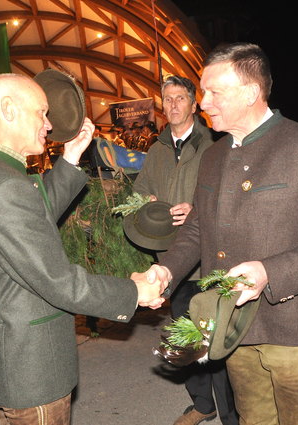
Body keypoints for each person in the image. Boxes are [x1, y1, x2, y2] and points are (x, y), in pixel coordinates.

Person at [146, 42, 298, 424]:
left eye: (214, 92)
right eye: (203, 91)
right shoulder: (213, 155)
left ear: (250, 93)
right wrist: (167, 271)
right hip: (232, 323)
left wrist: (269, 272)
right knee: (253, 418)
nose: (205, 102)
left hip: (292, 324)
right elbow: (197, 228)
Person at [0, 72, 166, 425]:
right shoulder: (4, 184)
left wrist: (70, 158)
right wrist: (134, 291)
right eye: (42, 112)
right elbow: (58, 281)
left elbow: (31, 216)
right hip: (30, 364)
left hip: (10, 353)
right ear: (9, 109)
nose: (48, 125)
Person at [133, 75, 237, 425]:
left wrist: (197, 209)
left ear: (194, 105)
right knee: (185, 338)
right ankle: (202, 404)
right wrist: (144, 201)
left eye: (180, 98)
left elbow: (230, 197)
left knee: (217, 341)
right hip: (172, 259)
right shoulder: (158, 149)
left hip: (210, 259)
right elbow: (140, 189)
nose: (173, 104)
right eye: (167, 99)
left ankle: (232, 414)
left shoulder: (216, 145)